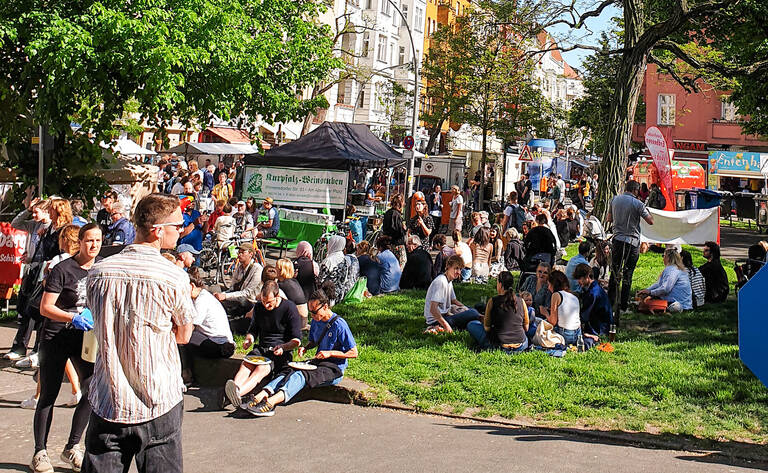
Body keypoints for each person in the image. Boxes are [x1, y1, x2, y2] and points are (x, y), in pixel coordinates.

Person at [83, 194, 196, 473]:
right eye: (178, 226)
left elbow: (98, 320)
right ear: (158, 230)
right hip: (158, 398)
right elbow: (183, 334)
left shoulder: (98, 272)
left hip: (108, 397)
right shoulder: (173, 276)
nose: (181, 230)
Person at [29, 224, 102, 473]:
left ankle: (72, 447)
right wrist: (72, 318)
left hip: (85, 338)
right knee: (48, 394)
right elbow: (45, 308)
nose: (94, 245)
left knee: (91, 390)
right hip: (56, 336)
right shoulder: (63, 269)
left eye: (98, 240)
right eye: (89, 240)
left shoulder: (101, 268)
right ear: (80, 242)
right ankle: (40, 452)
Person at [245, 289, 358, 417]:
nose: (313, 316)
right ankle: (261, 395)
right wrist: (305, 347)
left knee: (301, 375)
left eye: (315, 312)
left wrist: (330, 353)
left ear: (325, 306)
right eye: (310, 312)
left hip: (334, 368)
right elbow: (314, 341)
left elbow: (353, 352)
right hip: (319, 362)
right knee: (289, 369)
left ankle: (270, 403)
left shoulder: (339, 325)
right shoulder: (316, 321)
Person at [223, 280, 302, 410]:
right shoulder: (259, 307)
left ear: (277, 297)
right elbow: (253, 329)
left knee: (261, 369)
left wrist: (283, 347)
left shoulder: (289, 308)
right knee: (246, 364)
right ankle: (234, 390)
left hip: (280, 351)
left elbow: (296, 340)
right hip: (262, 348)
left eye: (269, 302)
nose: (266, 305)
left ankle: (236, 394)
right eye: (264, 301)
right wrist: (249, 339)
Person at [180, 267, 235, 384]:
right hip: (212, 340)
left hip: (220, 346)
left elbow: (191, 326)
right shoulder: (200, 297)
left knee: (183, 340)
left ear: (192, 286)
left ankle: (187, 376)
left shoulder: (202, 300)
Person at [607, 180, 654, 314]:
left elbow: (609, 219)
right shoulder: (638, 203)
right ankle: (623, 306)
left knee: (615, 272)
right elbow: (650, 221)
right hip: (631, 241)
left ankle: (610, 302)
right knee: (628, 274)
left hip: (617, 240)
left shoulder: (614, 200)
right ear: (636, 190)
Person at [466, 271, 529, 353]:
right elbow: (526, 328)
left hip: (500, 346)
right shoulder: (521, 301)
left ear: (500, 284)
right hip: (521, 345)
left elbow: (487, 328)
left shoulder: (492, 301)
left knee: (472, 324)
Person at [424, 255, 481, 333]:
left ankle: (481, 318)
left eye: (460, 269)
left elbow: (453, 300)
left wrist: (465, 308)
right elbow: (433, 309)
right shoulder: (441, 282)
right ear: (448, 267)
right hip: (437, 320)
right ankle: (484, 320)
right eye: (456, 268)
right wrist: (446, 325)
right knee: (473, 313)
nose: (458, 272)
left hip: (446, 314)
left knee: (475, 309)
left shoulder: (448, 281)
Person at [214, 242, 264, 322]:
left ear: (250, 254)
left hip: (250, 301)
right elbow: (233, 287)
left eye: (242, 252)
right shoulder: (239, 267)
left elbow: (247, 293)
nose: (239, 255)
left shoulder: (257, 269)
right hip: (238, 295)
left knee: (242, 301)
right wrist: (221, 294)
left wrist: (225, 296)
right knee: (214, 289)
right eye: (239, 252)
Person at [637, 248, 693, 313]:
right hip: (686, 304)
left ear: (668, 258)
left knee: (646, 303)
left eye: (663, 256)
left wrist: (650, 292)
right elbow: (658, 284)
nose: (662, 258)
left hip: (678, 304)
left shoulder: (671, 270)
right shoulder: (677, 268)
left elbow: (665, 289)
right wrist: (647, 290)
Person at [539, 270, 582, 345]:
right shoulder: (574, 297)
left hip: (565, 334)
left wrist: (545, 313)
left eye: (549, 284)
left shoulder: (556, 295)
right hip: (578, 334)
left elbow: (553, 322)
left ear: (553, 284)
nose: (548, 288)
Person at [573, 263, 614, 337]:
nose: (578, 281)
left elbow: (584, 316)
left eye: (580, 278)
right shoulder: (593, 288)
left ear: (587, 276)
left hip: (600, 328)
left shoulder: (593, 293)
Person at [318, 235, 352, 303]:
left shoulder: (329, 261)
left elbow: (320, 280)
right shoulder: (344, 259)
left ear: (333, 244)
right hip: (340, 295)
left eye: (329, 243)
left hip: (327, 297)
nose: (327, 245)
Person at [276, 258, 310, 326]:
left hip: (297, 321)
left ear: (281, 270)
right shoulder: (293, 281)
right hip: (303, 318)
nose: (274, 269)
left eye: (276, 267)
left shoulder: (283, 285)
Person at [382, 194, 406, 264]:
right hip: (397, 244)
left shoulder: (388, 213)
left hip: (388, 243)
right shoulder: (396, 215)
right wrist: (404, 229)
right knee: (401, 263)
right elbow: (398, 231)